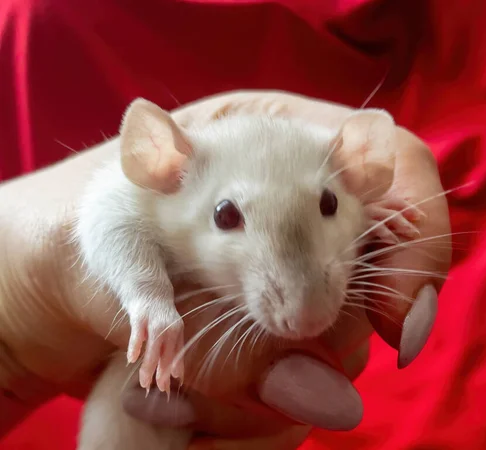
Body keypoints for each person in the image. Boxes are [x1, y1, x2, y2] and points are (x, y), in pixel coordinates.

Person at [0, 90, 451, 449]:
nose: (301, 306)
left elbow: (336, 205)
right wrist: (147, 297)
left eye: (330, 201)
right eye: (228, 216)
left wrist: (366, 212)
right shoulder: (177, 177)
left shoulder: (325, 166)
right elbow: (103, 212)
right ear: (161, 162)